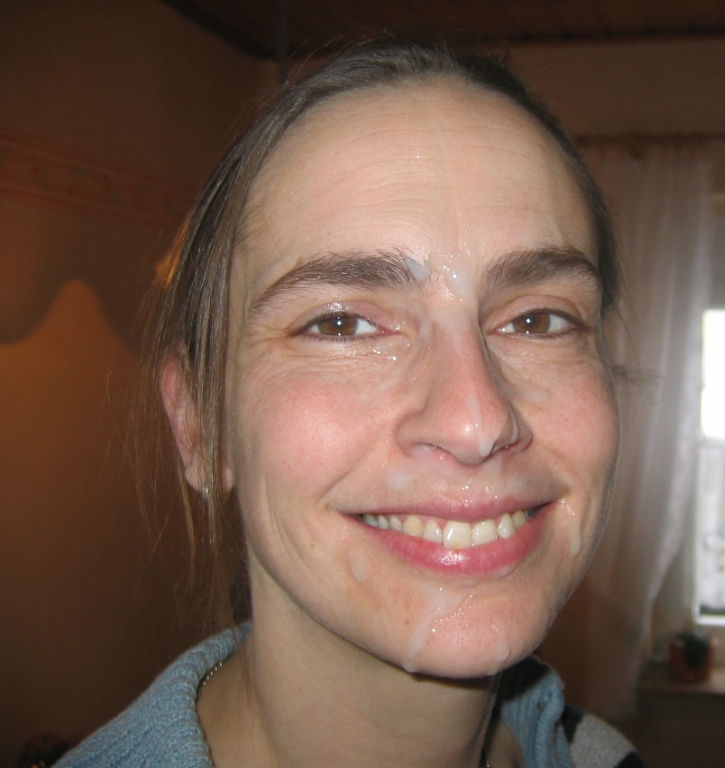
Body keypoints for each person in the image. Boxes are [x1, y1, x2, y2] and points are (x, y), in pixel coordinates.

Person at [56, 37, 641, 768]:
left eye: (537, 320)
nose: (476, 421)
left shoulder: (603, 756)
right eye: (341, 325)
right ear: (200, 425)